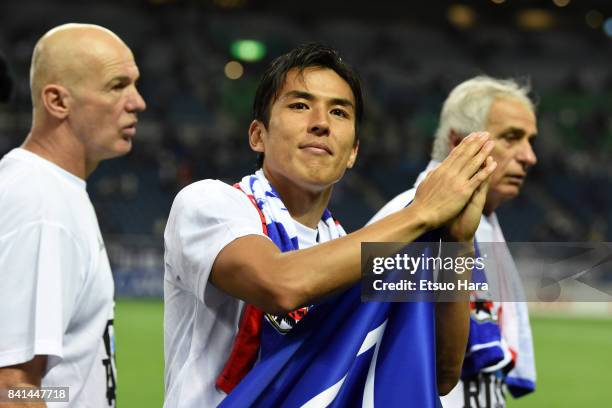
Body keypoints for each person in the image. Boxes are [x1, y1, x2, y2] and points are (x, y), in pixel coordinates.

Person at [163, 43, 498, 407]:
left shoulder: (348, 249)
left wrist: (458, 243)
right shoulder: (210, 203)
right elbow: (280, 284)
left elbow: (442, 373)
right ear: (258, 135)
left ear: (353, 151)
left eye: (339, 112)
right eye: (300, 105)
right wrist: (420, 213)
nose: (321, 123)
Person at [0, 23, 146, 408]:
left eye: (134, 84)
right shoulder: (40, 202)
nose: (137, 102)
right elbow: (11, 388)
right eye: (117, 86)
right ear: (57, 102)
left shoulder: (52, 189)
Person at [370, 76, 538, 408]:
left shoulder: (486, 225)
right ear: (458, 142)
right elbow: (375, 353)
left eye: (530, 140)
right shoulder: (402, 223)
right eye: (511, 138)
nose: (529, 156)